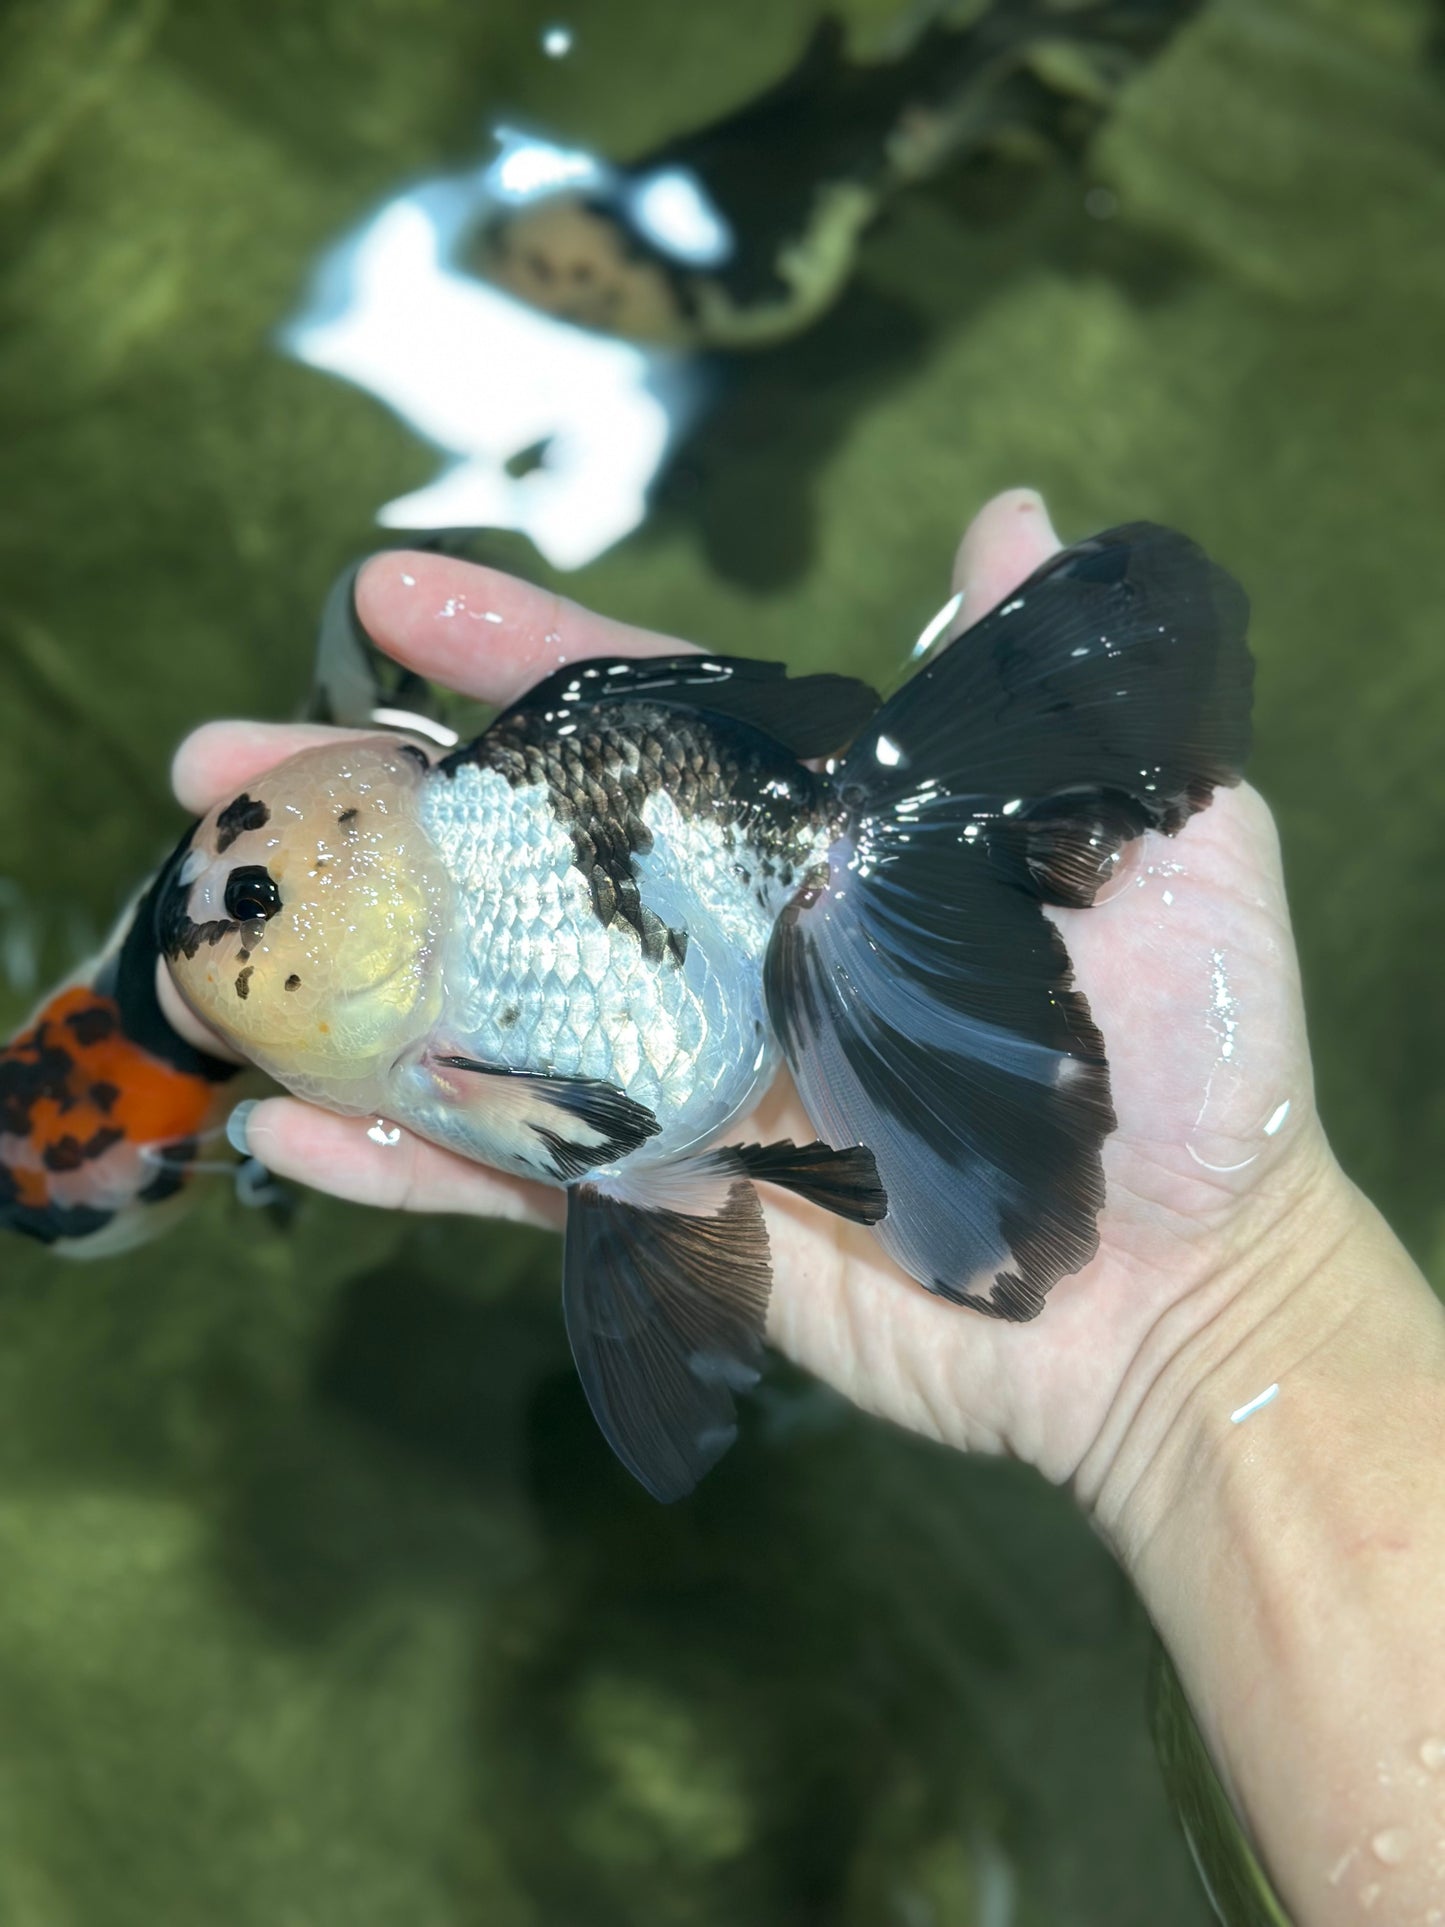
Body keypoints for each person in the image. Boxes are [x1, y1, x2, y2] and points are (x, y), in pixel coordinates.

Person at [159, 490, 1445, 1927]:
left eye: (248, 894)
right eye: (236, 893)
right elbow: (591, 1139)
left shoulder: (431, 1012)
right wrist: (1205, 1331)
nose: (210, 923)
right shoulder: (420, 975)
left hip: (724, 898)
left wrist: (1211, 1306)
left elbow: (573, 1131)